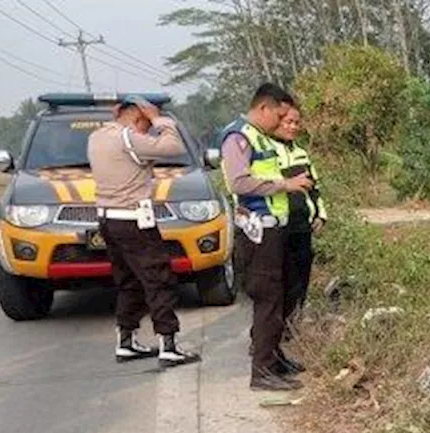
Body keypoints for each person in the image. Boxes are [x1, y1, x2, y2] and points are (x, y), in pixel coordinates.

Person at [87, 95, 199, 367]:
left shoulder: (97, 136)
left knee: (128, 280)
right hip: (134, 219)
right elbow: (174, 147)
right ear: (138, 116)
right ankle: (168, 344)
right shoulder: (128, 138)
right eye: (146, 123)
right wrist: (160, 119)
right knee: (158, 278)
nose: (148, 130)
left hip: (107, 218)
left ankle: (126, 341)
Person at [220, 83, 313, 391]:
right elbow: (238, 182)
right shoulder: (238, 137)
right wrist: (285, 184)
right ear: (264, 108)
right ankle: (261, 372)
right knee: (267, 300)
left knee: (281, 294)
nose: (282, 121)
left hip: (277, 229)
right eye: (279, 114)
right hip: (259, 231)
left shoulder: (261, 136)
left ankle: (274, 359)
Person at [272, 105, 327, 336]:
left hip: (303, 225)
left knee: (301, 277)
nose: (293, 127)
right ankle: (276, 328)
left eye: (297, 123)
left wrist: (320, 215)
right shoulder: (267, 152)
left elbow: (314, 188)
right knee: (282, 279)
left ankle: (292, 324)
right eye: (288, 122)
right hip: (279, 225)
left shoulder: (301, 154)